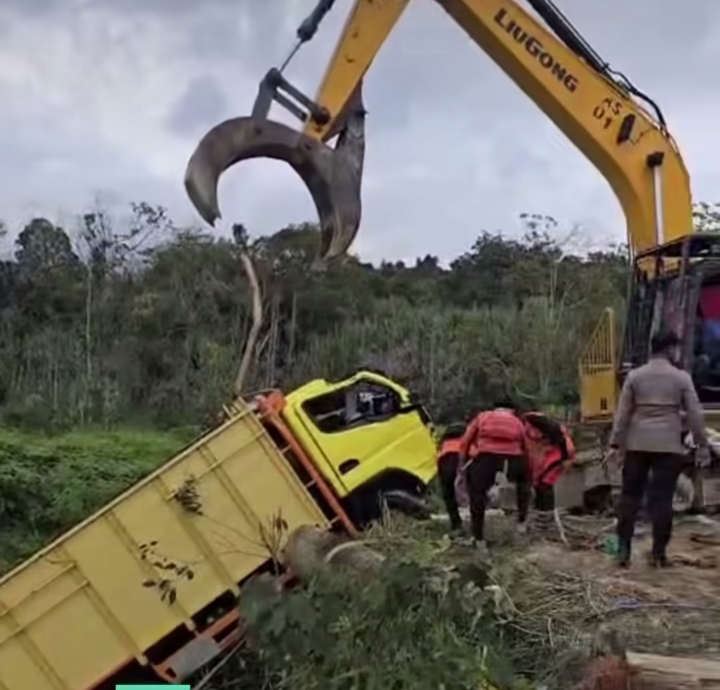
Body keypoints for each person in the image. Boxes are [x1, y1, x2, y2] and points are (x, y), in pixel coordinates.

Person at [607, 328, 710, 568]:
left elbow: (622, 415)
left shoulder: (635, 377)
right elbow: (695, 413)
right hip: (668, 446)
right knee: (662, 500)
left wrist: (615, 443)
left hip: (637, 444)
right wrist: (702, 444)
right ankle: (658, 556)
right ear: (671, 348)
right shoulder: (681, 378)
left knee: (629, 498)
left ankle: (623, 553)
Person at [458, 399, 530, 555]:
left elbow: (465, 442)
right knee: (524, 485)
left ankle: (479, 539)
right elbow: (526, 446)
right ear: (511, 410)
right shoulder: (517, 421)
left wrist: (463, 465)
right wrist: (527, 468)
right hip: (513, 459)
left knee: (477, 496)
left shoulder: (482, 416)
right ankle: (521, 522)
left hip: (486, 459)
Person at [523, 411, 576, 511]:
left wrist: (566, 459)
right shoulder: (538, 433)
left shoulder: (556, 433)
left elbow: (568, 449)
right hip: (543, 461)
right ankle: (541, 513)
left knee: (545, 485)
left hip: (554, 460)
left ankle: (546, 514)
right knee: (539, 485)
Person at [436, 423, 467, 532]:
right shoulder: (466, 441)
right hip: (463, 462)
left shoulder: (443, 444)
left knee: (449, 496)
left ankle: (456, 524)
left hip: (445, 463)